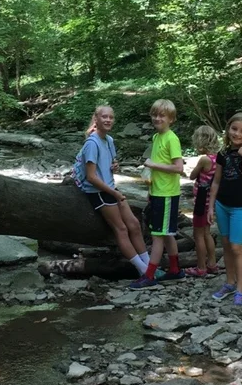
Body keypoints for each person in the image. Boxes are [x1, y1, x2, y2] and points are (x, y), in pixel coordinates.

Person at [78, 105, 150, 277]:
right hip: (98, 191)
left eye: (111, 117)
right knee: (121, 229)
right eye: (104, 117)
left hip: (110, 188)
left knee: (134, 225)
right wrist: (115, 193)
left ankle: (150, 266)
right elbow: (91, 177)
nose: (108, 120)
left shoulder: (109, 140)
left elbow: (107, 166)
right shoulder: (92, 143)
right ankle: (144, 271)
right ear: (96, 119)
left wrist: (114, 166)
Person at [131, 99, 185, 289]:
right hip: (157, 191)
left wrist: (153, 165)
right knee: (167, 233)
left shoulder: (172, 138)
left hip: (168, 194)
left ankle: (150, 274)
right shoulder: (156, 138)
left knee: (157, 235)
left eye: (162, 115)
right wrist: (150, 189)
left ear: (171, 119)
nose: (157, 118)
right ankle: (175, 269)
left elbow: (179, 168)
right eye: (154, 114)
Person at [207, 112, 242, 306]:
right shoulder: (223, 153)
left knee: (237, 247)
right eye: (234, 129)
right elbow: (216, 182)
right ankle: (229, 283)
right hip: (222, 204)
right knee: (227, 245)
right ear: (228, 129)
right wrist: (211, 206)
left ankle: (241, 289)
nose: (237, 134)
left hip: (240, 207)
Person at [184, 125, 220, 278]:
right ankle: (212, 264)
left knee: (198, 234)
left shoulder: (204, 159)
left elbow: (192, 176)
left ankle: (201, 267)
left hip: (201, 202)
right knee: (207, 233)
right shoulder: (218, 158)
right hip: (210, 202)